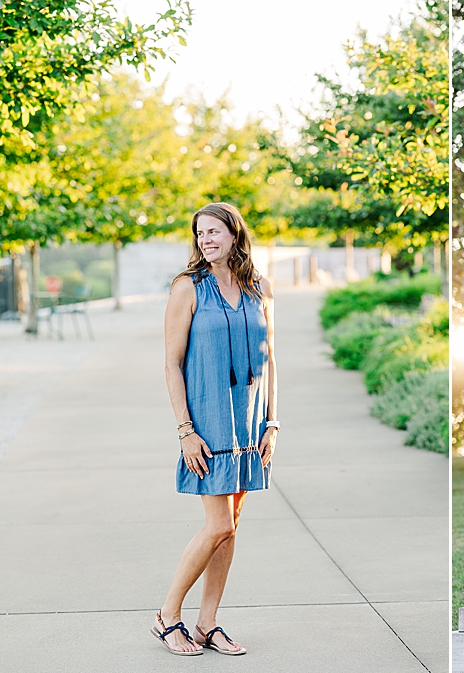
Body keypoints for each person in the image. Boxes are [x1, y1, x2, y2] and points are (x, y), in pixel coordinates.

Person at [150, 203, 279, 655]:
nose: (205, 240)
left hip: (249, 424)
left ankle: (207, 623)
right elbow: (171, 362)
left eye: (213, 232)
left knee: (231, 525)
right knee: (217, 523)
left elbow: (270, 360)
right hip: (207, 421)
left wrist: (272, 423)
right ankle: (168, 615)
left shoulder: (258, 287)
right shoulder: (188, 288)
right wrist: (185, 430)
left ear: (234, 234)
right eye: (200, 234)